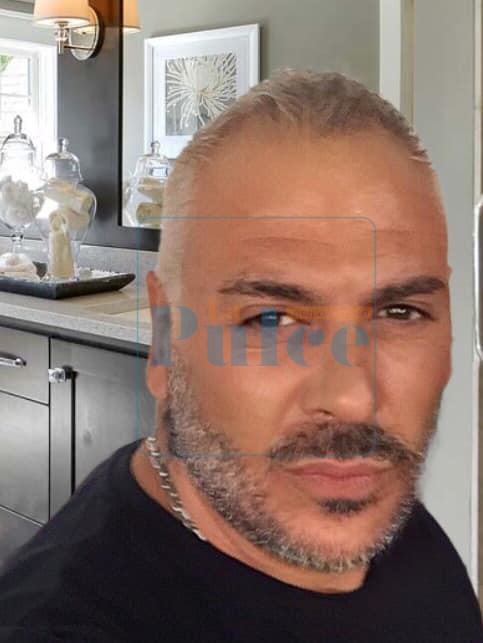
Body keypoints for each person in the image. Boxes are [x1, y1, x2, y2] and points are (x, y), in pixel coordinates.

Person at [0, 68, 481, 642]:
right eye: (271, 319)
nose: (355, 399)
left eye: (399, 312)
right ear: (164, 339)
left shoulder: (364, 499)